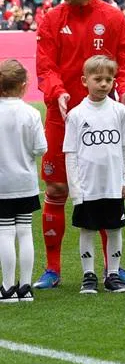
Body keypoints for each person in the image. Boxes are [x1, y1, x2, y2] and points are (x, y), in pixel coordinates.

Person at [34, 0, 125, 290]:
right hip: (61, 116)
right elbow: (45, 66)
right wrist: (57, 92)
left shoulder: (113, 18)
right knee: (56, 187)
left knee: (108, 191)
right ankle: (53, 268)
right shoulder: (51, 19)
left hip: (105, 120)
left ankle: (113, 268)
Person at [64, 55, 125, 295]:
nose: (104, 84)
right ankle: (88, 275)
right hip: (87, 187)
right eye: (98, 79)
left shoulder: (119, 112)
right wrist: (75, 190)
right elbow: (71, 154)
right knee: (88, 230)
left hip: (113, 186)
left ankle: (112, 274)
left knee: (115, 230)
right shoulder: (76, 115)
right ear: (85, 81)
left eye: (109, 79)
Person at [0, 59, 47, 303]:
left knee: (5, 232)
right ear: (23, 85)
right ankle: (26, 287)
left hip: (2, 183)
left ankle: (7, 287)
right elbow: (41, 148)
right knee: (25, 231)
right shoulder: (32, 113)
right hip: (25, 182)